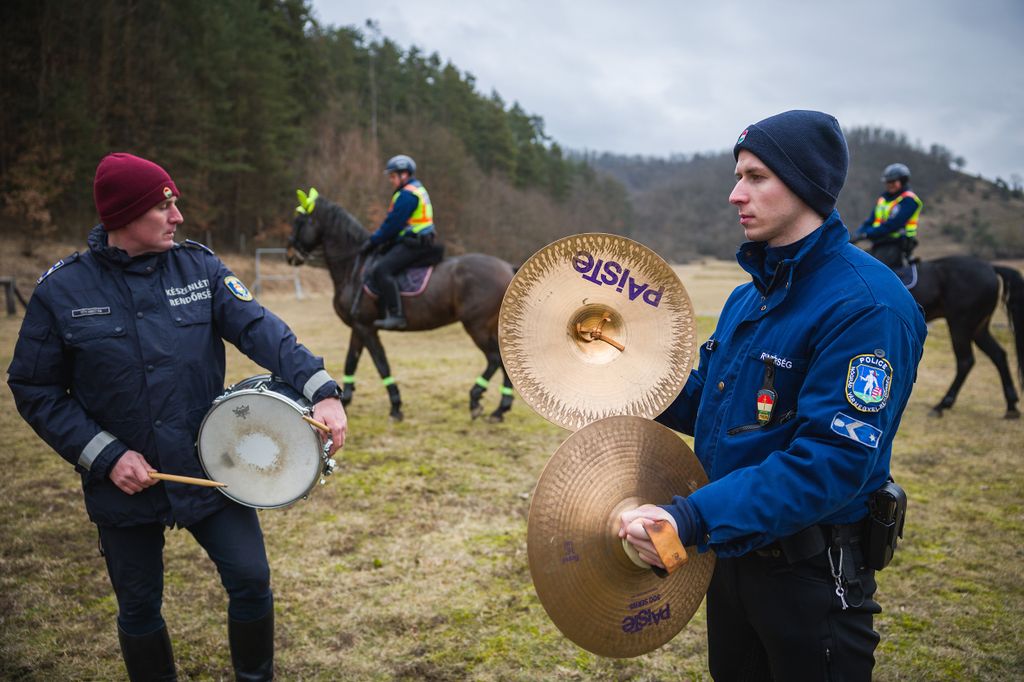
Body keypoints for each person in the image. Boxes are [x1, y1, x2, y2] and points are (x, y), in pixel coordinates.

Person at [7, 153, 348, 681]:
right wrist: (106, 457)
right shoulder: (62, 291)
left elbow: (260, 329)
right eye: (165, 206)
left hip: (209, 467)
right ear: (124, 215)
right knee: (139, 608)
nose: (177, 217)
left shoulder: (200, 267)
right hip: (123, 484)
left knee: (251, 580)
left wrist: (321, 389)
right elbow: (34, 387)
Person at [617, 111, 927, 680]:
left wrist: (687, 518)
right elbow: (711, 408)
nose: (736, 194)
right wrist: (625, 382)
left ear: (805, 184)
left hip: (811, 575)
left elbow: (831, 464)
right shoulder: (746, 298)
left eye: (756, 176)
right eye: (738, 175)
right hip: (730, 555)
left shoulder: (867, 305)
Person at [362, 154, 442, 330]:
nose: (391, 180)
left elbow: (392, 225)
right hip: (417, 240)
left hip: (416, 244)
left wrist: (373, 241)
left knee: (382, 269)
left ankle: (397, 315)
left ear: (404, 174)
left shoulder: (407, 195)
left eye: (393, 176)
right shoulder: (414, 189)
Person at [855, 163, 924, 268]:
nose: (889, 184)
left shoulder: (909, 200)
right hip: (879, 244)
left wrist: (866, 234)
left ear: (903, 181)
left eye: (893, 181)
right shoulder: (883, 200)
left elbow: (893, 225)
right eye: (888, 182)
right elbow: (870, 220)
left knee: (872, 269)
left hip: (897, 245)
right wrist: (857, 234)